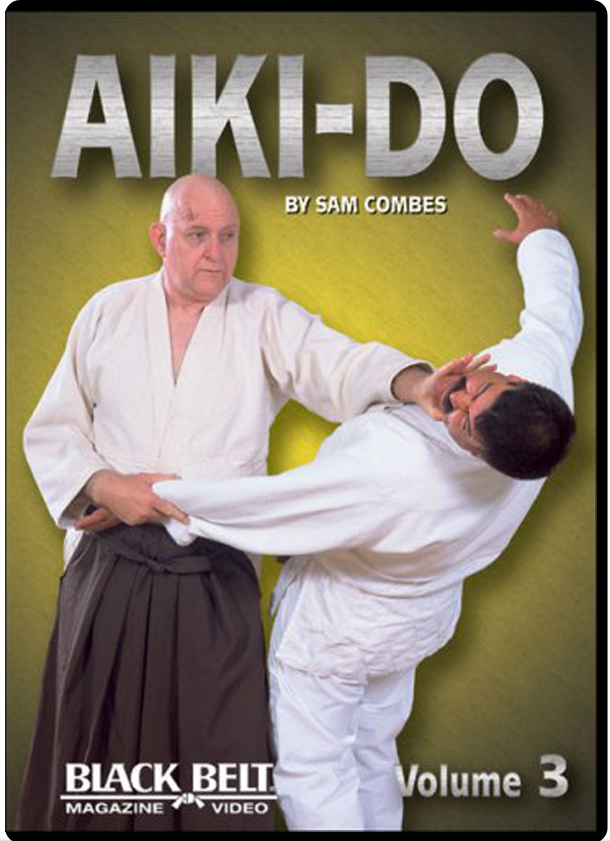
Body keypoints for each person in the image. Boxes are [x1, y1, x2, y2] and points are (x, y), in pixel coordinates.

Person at [153, 194, 582, 831]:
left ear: (486, 457)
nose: (459, 399)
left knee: (314, 771)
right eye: (480, 388)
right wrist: (544, 241)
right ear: (521, 382)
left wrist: (154, 499)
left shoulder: (400, 471)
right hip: (416, 622)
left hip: (338, 631)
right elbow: (554, 316)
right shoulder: (543, 389)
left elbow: (268, 508)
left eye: (466, 423)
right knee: (374, 750)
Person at [17, 174, 431, 832]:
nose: (217, 252)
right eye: (198, 235)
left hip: (212, 566)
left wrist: (417, 383)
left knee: (218, 763)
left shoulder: (262, 315)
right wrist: (104, 484)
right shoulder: (108, 311)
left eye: (229, 235)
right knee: (97, 754)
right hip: (109, 565)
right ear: (160, 238)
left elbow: (338, 364)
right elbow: (54, 429)